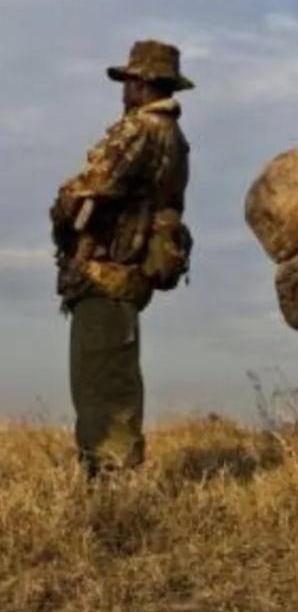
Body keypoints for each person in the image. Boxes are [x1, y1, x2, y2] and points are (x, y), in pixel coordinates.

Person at [49, 40, 194, 480]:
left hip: (105, 276)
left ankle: (113, 493)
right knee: (114, 382)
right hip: (126, 278)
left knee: (100, 389)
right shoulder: (175, 138)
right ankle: (114, 483)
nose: (125, 89)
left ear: (146, 83)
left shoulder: (138, 130)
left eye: (131, 80)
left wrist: (62, 212)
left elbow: (86, 192)